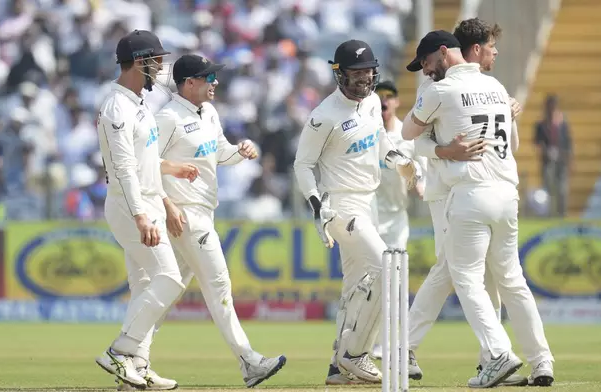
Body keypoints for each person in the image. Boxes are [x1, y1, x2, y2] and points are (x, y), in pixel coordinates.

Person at [403, 30, 555, 388]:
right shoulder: (497, 86)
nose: (425, 72)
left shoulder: (440, 91)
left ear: (443, 53)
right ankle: (542, 360)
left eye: (426, 63)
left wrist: (443, 149)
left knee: (466, 278)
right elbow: (512, 143)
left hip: (471, 194)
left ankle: (499, 354)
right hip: (507, 194)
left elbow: (409, 132)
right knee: (512, 281)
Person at [293, 40, 422, 385]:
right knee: (388, 267)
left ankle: (338, 365)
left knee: (354, 288)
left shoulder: (372, 103)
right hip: (340, 206)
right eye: (356, 73)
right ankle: (355, 352)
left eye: (368, 72)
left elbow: (380, 141)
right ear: (340, 74)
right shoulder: (323, 116)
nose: (364, 79)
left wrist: (400, 162)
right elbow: (303, 165)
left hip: (368, 203)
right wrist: (316, 206)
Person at [154, 54, 287, 388]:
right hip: (185, 215)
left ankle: (131, 357)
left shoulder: (208, 112)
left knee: (165, 292)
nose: (214, 82)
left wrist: (239, 152)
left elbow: (219, 153)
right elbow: (145, 165)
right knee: (219, 289)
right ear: (189, 83)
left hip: (201, 213)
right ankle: (249, 361)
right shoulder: (167, 117)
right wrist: (168, 205)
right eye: (207, 77)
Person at [94, 30, 199, 390]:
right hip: (129, 205)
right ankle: (119, 352)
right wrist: (140, 214)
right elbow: (122, 169)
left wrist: (171, 174)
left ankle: (136, 366)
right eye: (156, 60)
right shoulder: (116, 107)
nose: (160, 67)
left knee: (144, 286)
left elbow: (146, 160)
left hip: (149, 200)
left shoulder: (139, 103)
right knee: (169, 278)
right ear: (140, 61)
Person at [368, 79, 426, 361]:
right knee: (368, 283)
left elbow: (420, 172)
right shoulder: (367, 134)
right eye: (379, 96)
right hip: (369, 218)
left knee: (396, 282)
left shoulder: (406, 137)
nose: (384, 102)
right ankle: (361, 344)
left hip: (396, 220)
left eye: (389, 96)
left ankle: (390, 343)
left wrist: (420, 183)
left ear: (396, 101)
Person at [534, 94, 572, 217]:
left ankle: (562, 215)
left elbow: (568, 142)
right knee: (548, 189)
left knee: (562, 189)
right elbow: (537, 142)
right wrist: (545, 151)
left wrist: (569, 159)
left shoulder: (562, 124)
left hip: (561, 160)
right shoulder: (541, 124)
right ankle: (549, 215)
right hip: (547, 160)